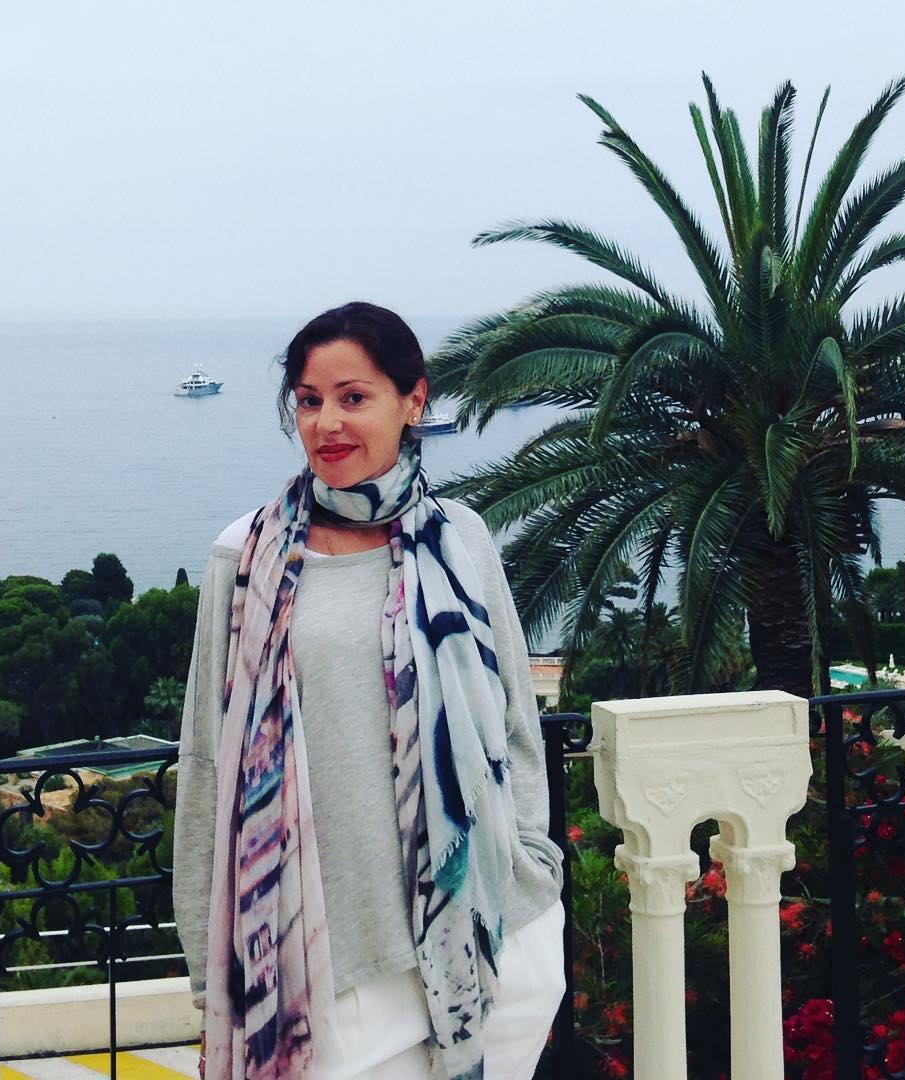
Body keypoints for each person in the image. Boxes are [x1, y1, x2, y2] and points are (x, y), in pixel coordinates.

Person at [173, 301, 566, 1079]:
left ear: (412, 401)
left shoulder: (460, 537)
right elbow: (207, 764)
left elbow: (516, 723)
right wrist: (210, 967)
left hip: (495, 934)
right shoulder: (244, 559)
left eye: (353, 397)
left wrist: (532, 864)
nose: (327, 424)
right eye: (309, 401)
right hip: (337, 965)